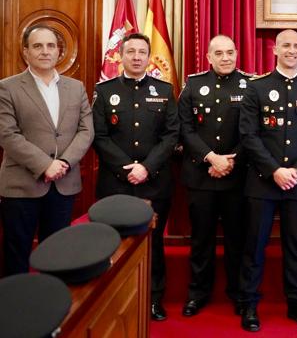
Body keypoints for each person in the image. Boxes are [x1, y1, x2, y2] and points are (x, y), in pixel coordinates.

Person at [238, 29, 297, 332]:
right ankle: (249, 304)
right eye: (286, 45)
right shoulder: (257, 87)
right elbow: (248, 135)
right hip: (262, 182)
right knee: (254, 246)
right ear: (275, 49)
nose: (291, 50)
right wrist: (274, 170)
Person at [92, 33, 179, 321]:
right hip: (115, 182)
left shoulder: (165, 90)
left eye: (143, 51)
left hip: (154, 182)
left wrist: (146, 168)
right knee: (112, 243)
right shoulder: (104, 92)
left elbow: (171, 136)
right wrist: (126, 167)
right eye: (131, 51)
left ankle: (154, 299)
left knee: (152, 243)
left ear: (148, 56)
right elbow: (100, 136)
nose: (137, 57)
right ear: (122, 55)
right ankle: (111, 298)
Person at [0, 25, 93, 275]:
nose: (45, 51)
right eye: (38, 46)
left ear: (59, 51)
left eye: (51, 46)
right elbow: (7, 134)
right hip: (21, 185)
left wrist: (62, 163)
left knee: (57, 254)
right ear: (26, 52)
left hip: (64, 183)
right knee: (16, 253)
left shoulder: (76, 87)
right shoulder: (7, 87)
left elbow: (86, 131)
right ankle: (15, 308)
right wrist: (45, 165)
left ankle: (53, 307)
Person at [178, 35, 252, 317]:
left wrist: (230, 160)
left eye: (230, 52)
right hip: (201, 176)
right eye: (219, 53)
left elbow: (252, 131)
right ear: (208, 57)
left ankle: (238, 293)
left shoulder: (250, 85)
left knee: (237, 240)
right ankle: (198, 293)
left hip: (237, 176)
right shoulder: (194, 85)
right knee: (201, 240)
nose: (226, 58)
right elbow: (185, 128)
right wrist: (211, 158)